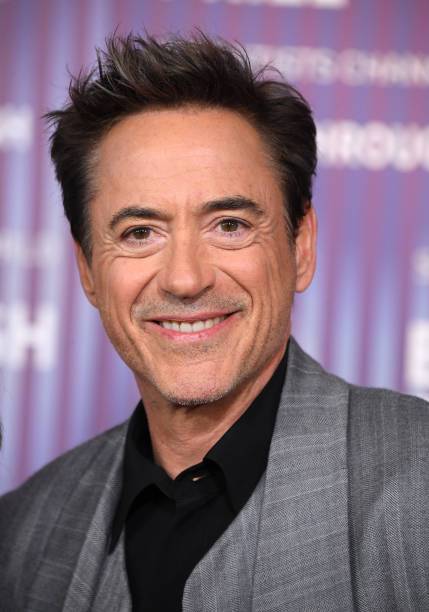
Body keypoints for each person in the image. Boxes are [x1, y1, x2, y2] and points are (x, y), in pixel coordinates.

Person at [0, 32, 427, 612]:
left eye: (229, 225)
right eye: (140, 233)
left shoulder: (418, 486)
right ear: (88, 270)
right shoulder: (22, 532)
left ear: (300, 246)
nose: (185, 279)